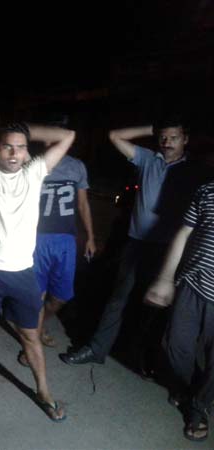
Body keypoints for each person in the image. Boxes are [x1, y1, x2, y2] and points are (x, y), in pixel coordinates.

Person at [60, 116, 205, 373]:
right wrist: (152, 128)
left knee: (155, 308)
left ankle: (145, 361)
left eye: (174, 137)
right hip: (137, 243)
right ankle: (97, 349)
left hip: (169, 250)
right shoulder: (148, 158)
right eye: (163, 136)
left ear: (185, 139)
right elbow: (115, 136)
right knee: (118, 299)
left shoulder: (193, 171)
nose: (167, 141)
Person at [0, 107, 74, 420]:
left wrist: (21, 131)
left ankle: (43, 390)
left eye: (21, 147)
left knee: (31, 335)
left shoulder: (34, 173)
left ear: (27, 151)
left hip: (23, 271)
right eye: (7, 146)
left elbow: (67, 136)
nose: (14, 153)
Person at [144, 181, 214, 442]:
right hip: (193, 284)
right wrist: (165, 278)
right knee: (175, 345)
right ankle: (190, 390)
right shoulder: (207, 190)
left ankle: (198, 407)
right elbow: (184, 233)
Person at [18, 139, 96, 366]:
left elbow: (83, 204)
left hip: (65, 240)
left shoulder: (76, 166)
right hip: (37, 238)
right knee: (37, 295)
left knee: (61, 297)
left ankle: (39, 325)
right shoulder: (35, 163)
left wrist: (90, 236)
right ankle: (32, 345)